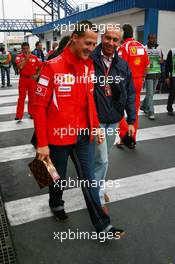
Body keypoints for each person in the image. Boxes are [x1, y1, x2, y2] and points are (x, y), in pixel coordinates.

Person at [34, 20, 125, 238]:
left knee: (90, 179)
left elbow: (89, 102)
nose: (91, 48)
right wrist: (42, 144)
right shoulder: (51, 67)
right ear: (74, 38)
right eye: (88, 43)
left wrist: (95, 127)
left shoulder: (89, 67)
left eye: (94, 44)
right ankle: (56, 203)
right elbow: (38, 107)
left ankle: (103, 226)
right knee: (57, 177)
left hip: (83, 135)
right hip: (56, 139)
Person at [91, 24, 136, 210]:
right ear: (102, 37)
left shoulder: (122, 65)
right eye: (107, 38)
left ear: (120, 41)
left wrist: (131, 120)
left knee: (104, 155)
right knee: (101, 158)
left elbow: (130, 92)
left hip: (114, 118)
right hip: (96, 118)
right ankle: (98, 197)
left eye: (115, 39)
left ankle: (94, 186)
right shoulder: (89, 60)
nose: (110, 42)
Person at [118, 24, 150, 148]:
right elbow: (147, 65)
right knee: (134, 112)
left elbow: (121, 67)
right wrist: (142, 77)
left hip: (126, 82)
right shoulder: (141, 46)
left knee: (117, 109)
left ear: (122, 35)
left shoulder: (123, 48)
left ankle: (125, 137)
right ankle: (132, 138)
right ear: (132, 33)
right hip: (138, 82)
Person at [15, 42, 42, 122]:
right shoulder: (19, 57)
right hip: (23, 79)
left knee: (32, 98)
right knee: (21, 98)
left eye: (27, 48)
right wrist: (26, 59)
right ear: (22, 49)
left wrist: (37, 75)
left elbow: (41, 66)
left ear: (29, 48)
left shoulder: (34, 57)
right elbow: (20, 66)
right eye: (24, 49)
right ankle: (19, 115)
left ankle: (32, 114)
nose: (26, 50)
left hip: (32, 79)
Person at [141, 34, 163, 120]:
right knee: (150, 93)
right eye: (151, 38)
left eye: (154, 38)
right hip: (149, 73)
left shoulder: (159, 48)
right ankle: (151, 112)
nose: (153, 40)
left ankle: (143, 106)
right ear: (148, 39)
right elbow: (142, 62)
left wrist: (159, 59)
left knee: (152, 94)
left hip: (157, 73)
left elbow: (161, 60)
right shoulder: (144, 48)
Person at [165, 48, 175, 116]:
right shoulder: (172, 51)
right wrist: (167, 77)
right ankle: (169, 108)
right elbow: (167, 65)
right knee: (172, 93)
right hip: (173, 76)